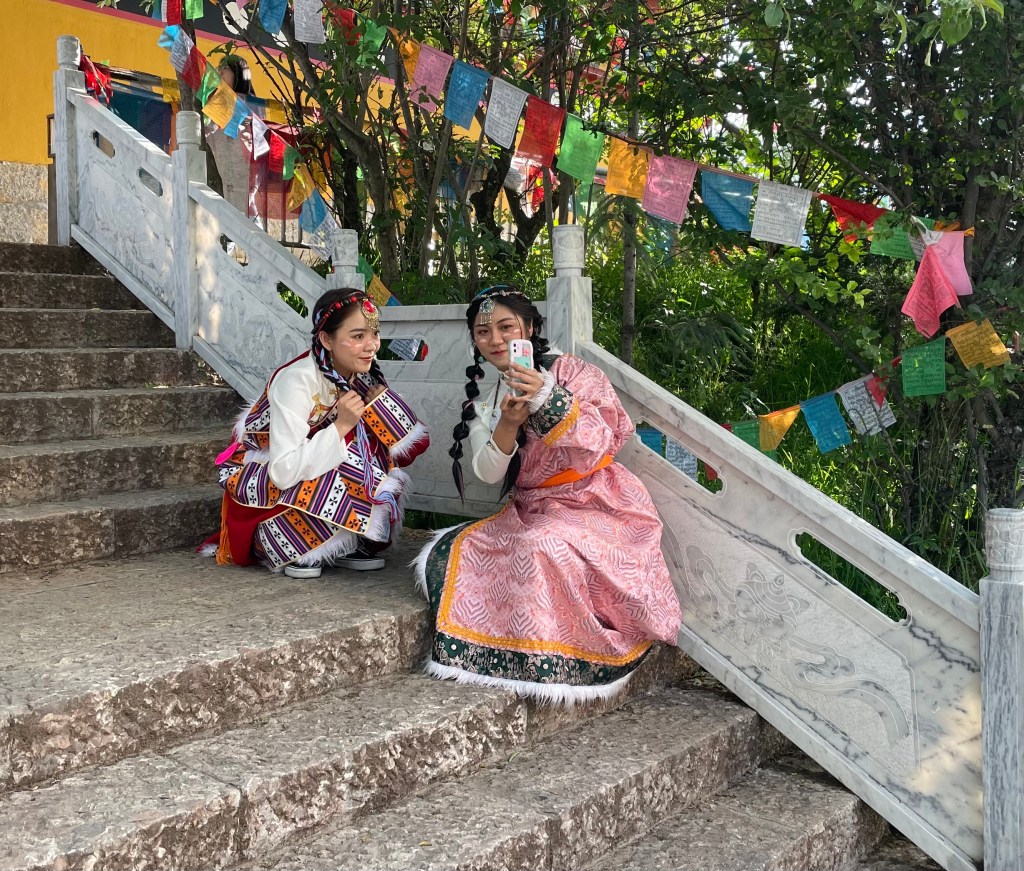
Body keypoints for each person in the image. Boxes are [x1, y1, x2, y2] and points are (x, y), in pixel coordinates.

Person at [413, 285, 681, 704]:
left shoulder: (574, 374)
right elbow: (488, 473)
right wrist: (507, 424)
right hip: (534, 505)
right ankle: (516, 651)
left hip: (596, 499)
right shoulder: (488, 399)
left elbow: (603, 439)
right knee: (490, 547)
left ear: (530, 327)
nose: (495, 340)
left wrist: (546, 396)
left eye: (506, 327)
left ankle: (570, 653)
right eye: (483, 332)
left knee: (543, 544)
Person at [204, 288, 429, 578]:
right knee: (348, 457)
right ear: (326, 339)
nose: (371, 345)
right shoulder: (296, 380)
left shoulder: (357, 373)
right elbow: (283, 470)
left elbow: (412, 447)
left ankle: (345, 544)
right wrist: (341, 426)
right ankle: (296, 547)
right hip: (264, 477)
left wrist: (382, 403)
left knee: (372, 454)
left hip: (304, 466)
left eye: (374, 334)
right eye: (358, 336)